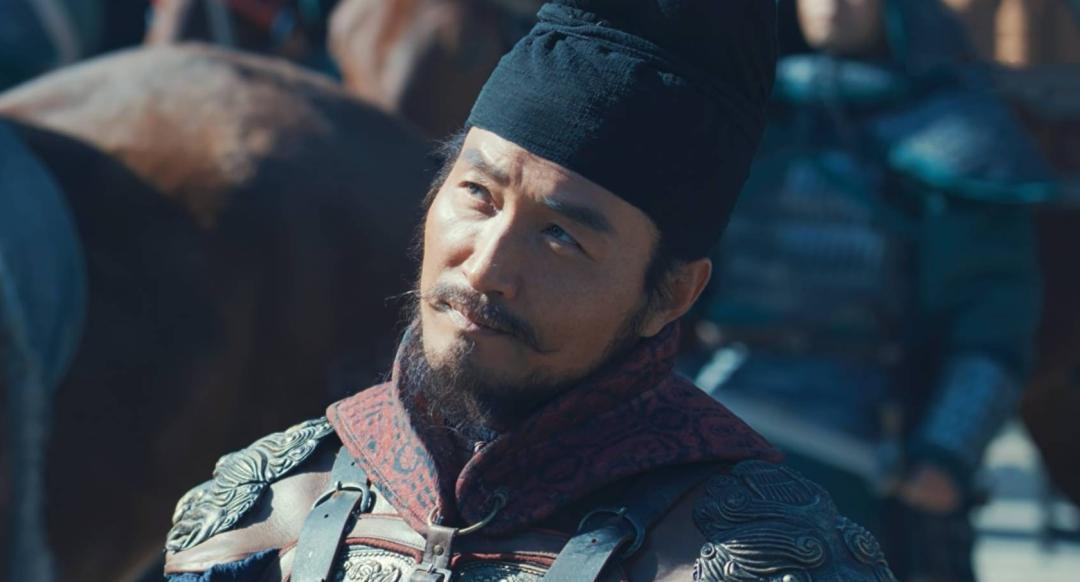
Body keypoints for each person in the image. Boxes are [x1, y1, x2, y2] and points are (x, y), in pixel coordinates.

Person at [162, 1, 896, 580]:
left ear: (672, 293)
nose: (484, 269)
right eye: (478, 195)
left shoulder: (764, 557)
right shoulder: (265, 505)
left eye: (560, 236)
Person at [689, 0, 1053, 579]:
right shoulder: (742, 113)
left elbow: (990, 321)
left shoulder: (958, 134)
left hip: (870, 449)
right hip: (714, 419)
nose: (832, 4)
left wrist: (946, 452)